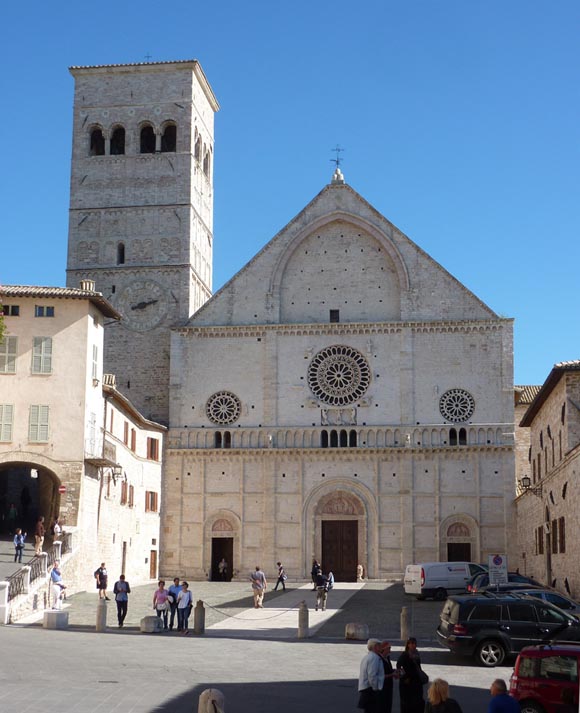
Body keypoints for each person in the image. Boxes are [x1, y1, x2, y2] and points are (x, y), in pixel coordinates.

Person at [397, 637, 427, 713]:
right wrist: (404, 677)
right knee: (407, 705)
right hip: (407, 685)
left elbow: (418, 667)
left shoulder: (416, 654)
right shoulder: (404, 655)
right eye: (412, 643)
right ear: (408, 645)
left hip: (416, 683)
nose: (413, 645)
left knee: (418, 703)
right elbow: (399, 667)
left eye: (414, 643)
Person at [358, 638, 385, 711]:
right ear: (375, 647)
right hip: (370, 689)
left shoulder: (367, 657)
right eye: (379, 646)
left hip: (366, 688)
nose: (381, 648)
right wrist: (376, 688)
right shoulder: (374, 658)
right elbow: (372, 675)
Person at [378, 640, 398, 713]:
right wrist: (392, 675)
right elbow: (380, 675)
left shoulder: (387, 658)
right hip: (382, 688)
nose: (390, 651)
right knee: (383, 708)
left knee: (388, 707)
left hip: (389, 687)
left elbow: (389, 670)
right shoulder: (378, 660)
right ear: (384, 649)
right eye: (388, 649)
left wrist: (395, 671)